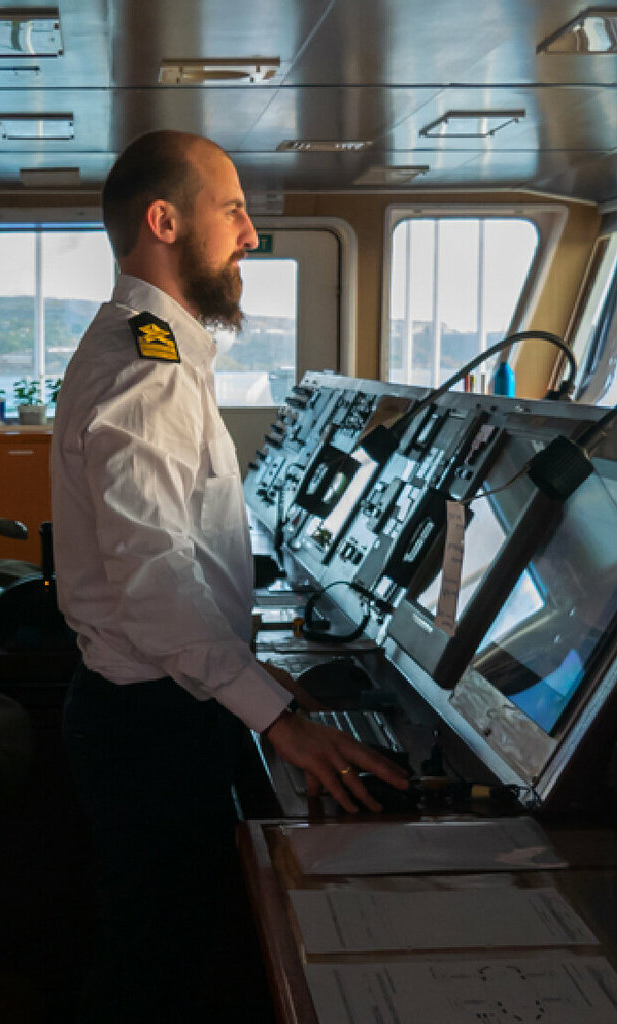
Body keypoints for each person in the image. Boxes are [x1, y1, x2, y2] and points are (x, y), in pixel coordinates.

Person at [51, 130, 408, 1023]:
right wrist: (279, 721)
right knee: (151, 974)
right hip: (150, 725)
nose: (251, 235)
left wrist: (252, 678)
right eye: (234, 210)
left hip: (154, 707)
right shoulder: (147, 369)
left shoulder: (153, 350)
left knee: (157, 957)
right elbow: (156, 586)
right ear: (164, 221)